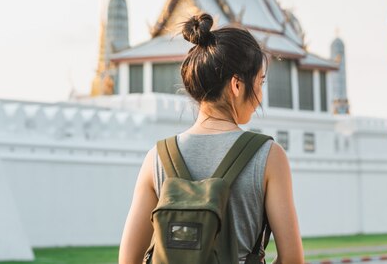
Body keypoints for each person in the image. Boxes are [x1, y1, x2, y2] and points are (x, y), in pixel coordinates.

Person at [119, 13, 304, 264]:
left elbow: (128, 259)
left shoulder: (157, 158)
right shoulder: (269, 156)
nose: (260, 94)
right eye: (260, 82)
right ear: (237, 85)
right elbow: (292, 259)